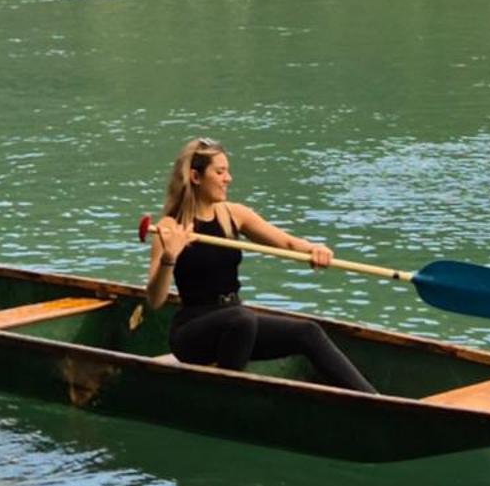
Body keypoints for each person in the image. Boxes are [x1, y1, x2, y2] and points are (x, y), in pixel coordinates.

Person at [143, 138, 376, 393]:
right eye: (219, 172)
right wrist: (170, 257)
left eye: (227, 171)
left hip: (237, 325)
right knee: (242, 319)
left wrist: (313, 249)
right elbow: (155, 300)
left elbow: (286, 243)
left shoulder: (232, 214)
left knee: (307, 332)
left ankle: (374, 400)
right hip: (193, 333)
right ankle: (224, 395)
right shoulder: (169, 227)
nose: (228, 178)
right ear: (195, 177)